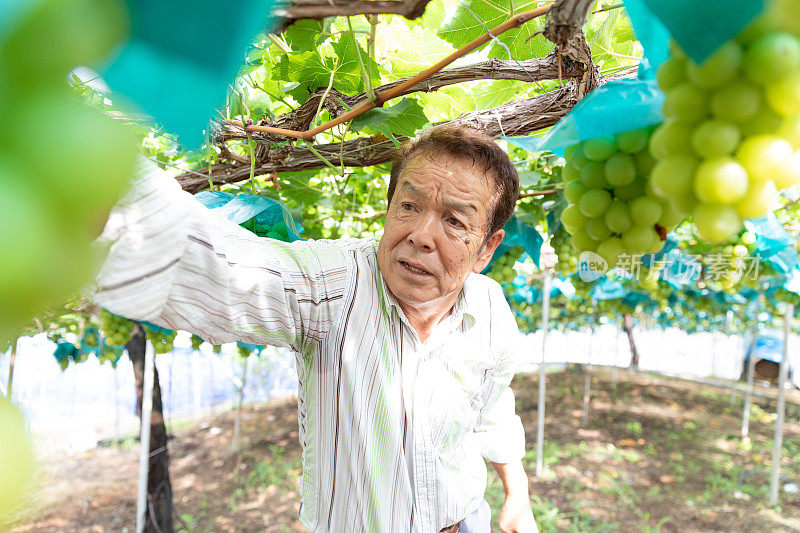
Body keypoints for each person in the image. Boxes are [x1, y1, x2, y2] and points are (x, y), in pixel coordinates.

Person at [91, 124, 538, 532]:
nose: (421, 234)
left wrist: (516, 493)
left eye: (455, 221)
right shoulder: (334, 284)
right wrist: (88, 182)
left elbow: (492, 405)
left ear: (486, 249)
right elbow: (230, 273)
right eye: (409, 205)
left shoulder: (490, 307)